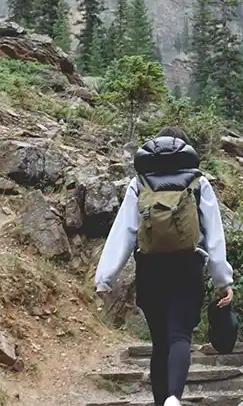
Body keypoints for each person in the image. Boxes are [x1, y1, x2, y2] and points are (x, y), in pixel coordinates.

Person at [95, 129, 235, 406]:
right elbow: (215, 236)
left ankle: (163, 401)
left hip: (150, 269)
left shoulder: (139, 183)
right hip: (188, 266)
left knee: (160, 342)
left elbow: (124, 231)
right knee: (180, 335)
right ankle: (174, 397)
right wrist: (223, 281)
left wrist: (105, 278)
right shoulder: (198, 182)